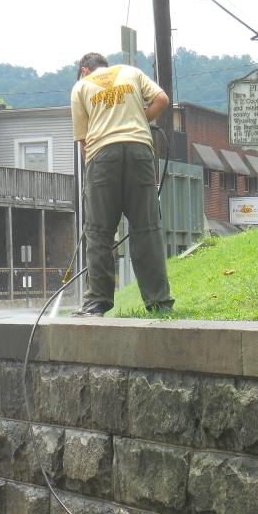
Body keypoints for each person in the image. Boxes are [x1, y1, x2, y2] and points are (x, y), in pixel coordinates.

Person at [70, 52, 175, 317]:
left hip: (102, 157)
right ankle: (159, 302)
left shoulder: (81, 87)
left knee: (99, 232)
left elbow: (84, 142)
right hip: (140, 151)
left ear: (84, 70)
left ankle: (97, 303)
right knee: (146, 228)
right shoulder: (131, 72)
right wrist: (139, 118)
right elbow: (162, 100)